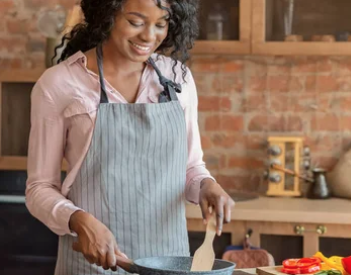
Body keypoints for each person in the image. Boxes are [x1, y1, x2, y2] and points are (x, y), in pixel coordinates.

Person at [25, 0, 235, 274]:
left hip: (169, 263)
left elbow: (191, 167)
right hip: (92, 263)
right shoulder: (60, 84)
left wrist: (207, 186)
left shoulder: (177, 78)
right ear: (107, 15)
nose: (149, 36)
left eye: (160, 24)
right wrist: (78, 220)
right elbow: (39, 188)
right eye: (136, 22)